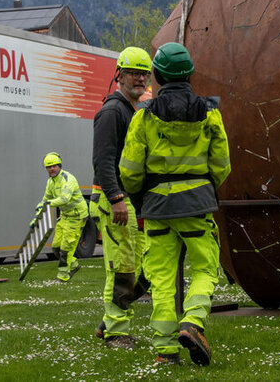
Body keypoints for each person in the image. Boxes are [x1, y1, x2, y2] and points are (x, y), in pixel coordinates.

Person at [120, 42, 231, 366]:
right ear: (190, 74)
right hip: (196, 206)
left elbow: (129, 171)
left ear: (157, 75)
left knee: (162, 279)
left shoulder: (143, 116)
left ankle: (165, 351)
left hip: (157, 210)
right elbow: (222, 164)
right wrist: (204, 189)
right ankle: (193, 323)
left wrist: (142, 196)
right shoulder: (210, 112)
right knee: (205, 269)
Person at [90, 47, 152, 349]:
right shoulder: (112, 112)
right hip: (114, 200)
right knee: (122, 268)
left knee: (143, 267)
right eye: (134, 72)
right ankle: (116, 332)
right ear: (120, 75)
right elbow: (102, 160)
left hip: (130, 201)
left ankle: (108, 322)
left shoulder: (131, 110)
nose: (140, 78)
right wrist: (115, 197)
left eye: (144, 73)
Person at [34, 152, 89, 282]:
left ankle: (63, 276)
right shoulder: (50, 182)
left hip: (77, 217)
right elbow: (46, 198)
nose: (51, 169)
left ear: (59, 166)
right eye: (48, 167)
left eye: (54, 166)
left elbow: (64, 199)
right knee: (56, 247)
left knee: (66, 248)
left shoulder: (67, 179)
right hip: (64, 217)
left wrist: (46, 204)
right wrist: (39, 210)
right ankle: (74, 265)